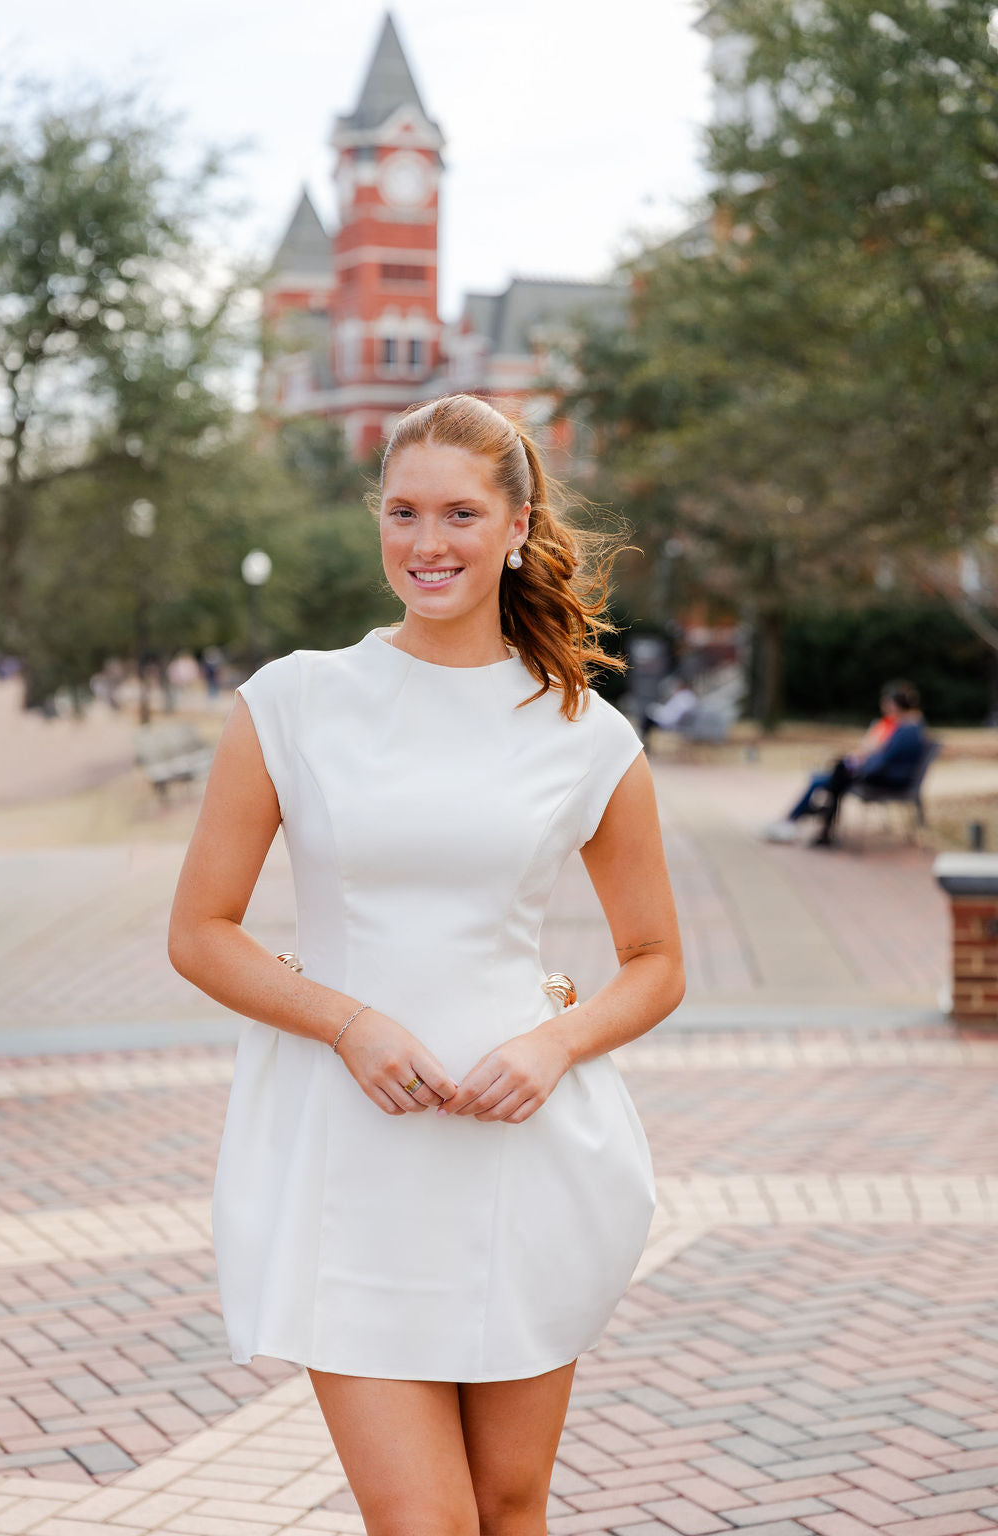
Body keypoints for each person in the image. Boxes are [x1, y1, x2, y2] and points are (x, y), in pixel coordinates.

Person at [167, 393, 685, 1536]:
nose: (427, 542)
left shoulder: (584, 734)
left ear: (516, 525)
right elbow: (199, 930)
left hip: (521, 1155)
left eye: (459, 512)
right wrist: (347, 1022)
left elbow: (654, 962)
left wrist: (555, 1041)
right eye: (403, 512)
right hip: (351, 1159)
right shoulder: (294, 702)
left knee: (508, 1507)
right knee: (428, 1523)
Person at [763, 680, 922, 846]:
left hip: (884, 779)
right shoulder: (907, 727)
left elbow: (885, 759)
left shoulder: (904, 730)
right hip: (881, 774)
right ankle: (815, 825)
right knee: (838, 774)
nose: (884, 706)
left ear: (896, 705)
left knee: (836, 776)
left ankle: (806, 821)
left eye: (887, 702)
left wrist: (862, 766)